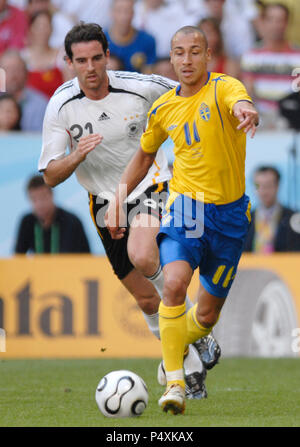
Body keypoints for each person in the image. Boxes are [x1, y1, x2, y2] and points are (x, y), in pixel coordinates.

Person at [38, 22, 220, 399]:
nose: (90, 68)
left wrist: (231, 106)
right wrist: (76, 155)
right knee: (146, 300)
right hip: (103, 203)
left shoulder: (140, 87)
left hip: (151, 184)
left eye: (96, 58)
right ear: (68, 62)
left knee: (141, 252)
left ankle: (194, 338)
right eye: (81, 61)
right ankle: (186, 364)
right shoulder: (61, 105)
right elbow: (51, 176)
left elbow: (192, 93)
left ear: (107, 56)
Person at [107, 25, 259, 414]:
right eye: (179, 52)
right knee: (173, 284)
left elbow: (239, 100)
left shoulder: (224, 87)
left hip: (230, 216)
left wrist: (247, 110)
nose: (187, 59)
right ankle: (176, 384)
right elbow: (143, 156)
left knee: (206, 315)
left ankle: (173, 351)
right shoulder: (163, 108)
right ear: (171, 58)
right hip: (188, 208)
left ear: (208, 56)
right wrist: (117, 200)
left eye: (195, 51)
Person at [241, 2, 300, 129]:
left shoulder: (298, 56)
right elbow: (248, 93)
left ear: (287, 23)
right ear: (263, 22)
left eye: (280, 20)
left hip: (292, 118)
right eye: (271, 19)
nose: (276, 25)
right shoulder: (251, 55)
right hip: (260, 118)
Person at [15, 175, 90, 254]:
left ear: (52, 195)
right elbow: (18, 258)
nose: (39, 204)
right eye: (34, 199)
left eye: (43, 197)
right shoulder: (27, 222)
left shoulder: (72, 222)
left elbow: (86, 258)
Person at [244, 166, 300, 253]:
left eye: (268, 185)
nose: (263, 190)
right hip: (252, 266)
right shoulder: (245, 219)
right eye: (258, 186)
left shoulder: (293, 219)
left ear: (277, 186)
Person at [0, 49, 48, 131]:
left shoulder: (41, 104)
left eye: (17, 70)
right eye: (7, 70)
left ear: (26, 73)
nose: (13, 75)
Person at [105, 0, 157, 73]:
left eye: (128, 11)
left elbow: (149, 75)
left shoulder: (148, 40)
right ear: (111, 13)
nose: (124, 16)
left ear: (133, 13)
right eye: (119, 11)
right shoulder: (100, 40)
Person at [22, 11, 65, 98]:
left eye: (46, 26)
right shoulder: (22, 57)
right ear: (30, 29)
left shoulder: (62, 55)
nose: (43, 30)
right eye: (38, 26)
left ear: (52, 29)